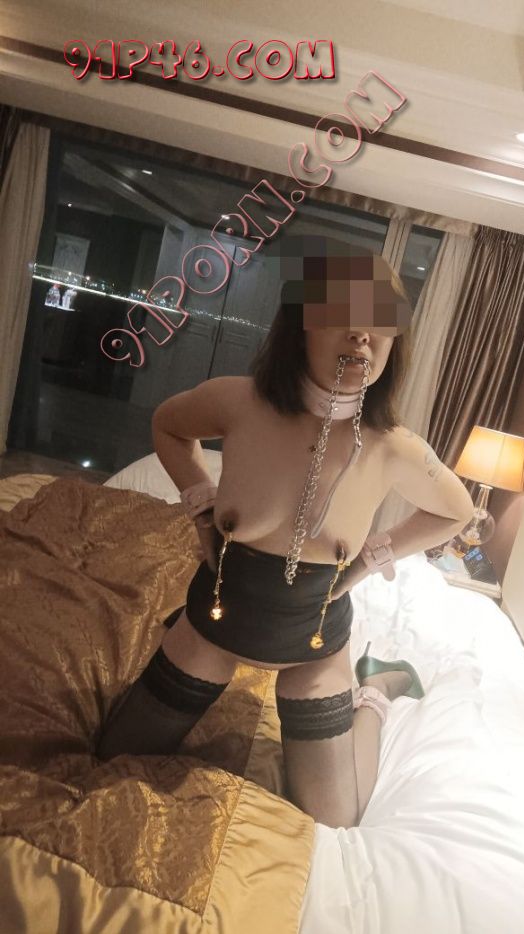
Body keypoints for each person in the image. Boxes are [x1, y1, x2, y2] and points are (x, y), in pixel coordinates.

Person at [96, 237, 474, 829]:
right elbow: (168, 425)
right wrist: (201, 503)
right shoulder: (239, 402)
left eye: (380, 324)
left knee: (338, 819)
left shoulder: (393, 446)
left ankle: (377, 688)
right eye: (341, 316)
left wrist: (371, 559)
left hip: (313, 650)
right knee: (109, 760)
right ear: (301, 326)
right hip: (213, 628)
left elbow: (457, 512)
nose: (362, 336)